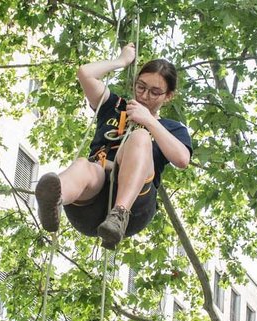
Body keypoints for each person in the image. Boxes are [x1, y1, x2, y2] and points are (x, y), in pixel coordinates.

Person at [35, 44, 193, 249]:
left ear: (168, 96)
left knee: (140, 137)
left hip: (135, 207)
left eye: (154, 92)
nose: (144, 96)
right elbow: (85, 74)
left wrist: (149, 122)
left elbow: (182, 159)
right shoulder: (114, 106)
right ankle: (54, 201)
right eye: (141, 87)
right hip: (91, 203)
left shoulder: (170, 129)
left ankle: (119, 214)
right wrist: (122, 61)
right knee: (84, 164)